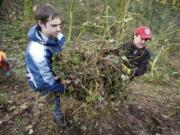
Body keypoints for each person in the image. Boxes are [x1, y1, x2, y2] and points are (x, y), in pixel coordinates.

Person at [25, 3, 66, 127]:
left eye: (59, 24)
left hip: (51, 71)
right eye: (54, 25)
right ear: (41, 23)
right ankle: (57, 116)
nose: (59, 29)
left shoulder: (56, 35)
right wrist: (64, 87)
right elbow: (46, 82)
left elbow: (62, 49)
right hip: (41, 81)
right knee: (56, 97)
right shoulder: (37, 51)